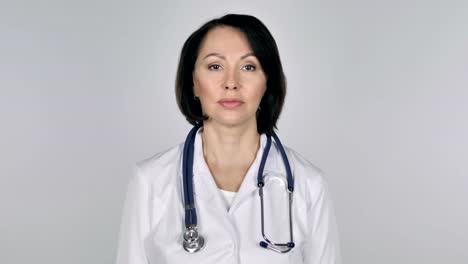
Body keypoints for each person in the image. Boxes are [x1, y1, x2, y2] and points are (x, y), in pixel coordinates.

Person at [115, 14, 341, 264]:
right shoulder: (150, 181)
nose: (231, 83)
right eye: (215, 66)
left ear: (267, 82)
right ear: (193, 83)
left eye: (248, 67)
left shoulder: (308, 184)